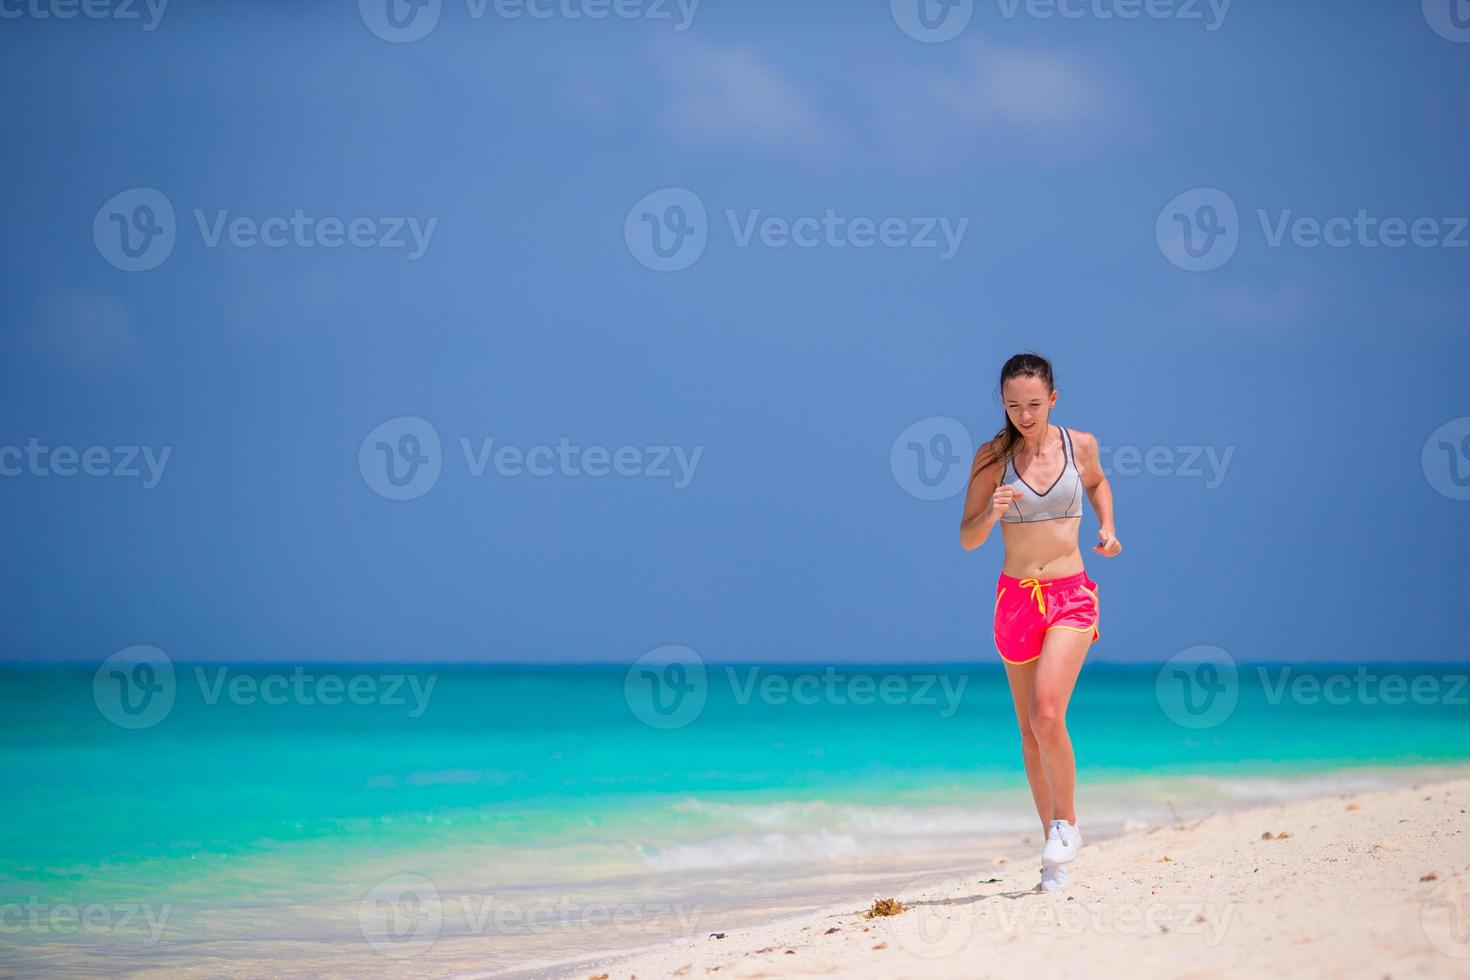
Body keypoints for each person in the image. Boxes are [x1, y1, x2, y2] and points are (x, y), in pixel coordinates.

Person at [959, 352, 1123, 891]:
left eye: (1033, 404)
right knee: (1029, 732)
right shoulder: (991, 457)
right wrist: (992, 511)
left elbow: (1097, 483)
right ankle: (1053, 860)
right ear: (1001, 404)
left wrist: (1107, 528)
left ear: (1053, 398)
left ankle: (1068, 824)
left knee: (1048, 713)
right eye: (1013, 406)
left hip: (1070, 594)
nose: (1024, 415)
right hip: (1015, 598)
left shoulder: (1081, 445)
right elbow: (968, 536)